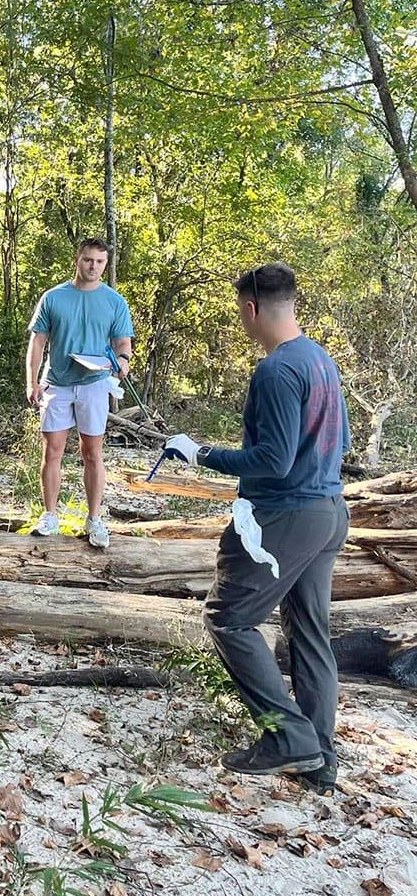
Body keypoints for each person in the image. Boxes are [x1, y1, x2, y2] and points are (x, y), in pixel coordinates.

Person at [163, 262, 350, 795]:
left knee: (228, 618)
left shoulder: (275, 369)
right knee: (310, 632)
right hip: (329, 511)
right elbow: (343, 445)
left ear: (250, 308)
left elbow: (273, 459)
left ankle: (289, 736)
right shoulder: (321, 361)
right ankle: (319, 757)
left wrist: (200, 453)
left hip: (285, 515)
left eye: (239, 314)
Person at [25, 238, 134, 549]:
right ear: (78, 259)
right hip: (57, 382)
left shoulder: (114, 301)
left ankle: (94, 519)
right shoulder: (54, 297)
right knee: (53, 451)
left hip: (94, 383)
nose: (93, 267)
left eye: (100, 262)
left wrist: (123, 362)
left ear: (105, 264)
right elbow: (38, 343)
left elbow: (122, 344)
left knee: (92, 452)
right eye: (88, 260)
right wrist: (32, 382)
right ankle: (50, 516)